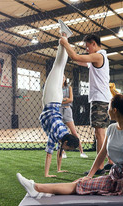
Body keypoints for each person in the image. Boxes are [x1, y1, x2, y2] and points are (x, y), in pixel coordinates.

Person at [60, 33, 112, 175]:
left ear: (94, 43)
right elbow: (78, 60)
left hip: (100, 100)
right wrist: (68, 49)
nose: (87, 49)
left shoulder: (98, 56)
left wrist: (65, 42)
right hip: (102, 99)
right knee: (102, 133)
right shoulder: (98, 58)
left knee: (99, 134)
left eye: (87, 46)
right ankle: (110, 162)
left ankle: (99, 167)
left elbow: (76, 57)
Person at [39, 21, 79, 177]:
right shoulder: (57, 133)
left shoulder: (63, 136)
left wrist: (59, 169)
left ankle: (64, 35)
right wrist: (47, 174)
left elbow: (59, 151)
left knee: (60, 67)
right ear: (67, 142)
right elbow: (49, 153)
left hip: (54, 100)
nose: (66, 150)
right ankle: (64, 36)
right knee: (58, 66)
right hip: (52, 100)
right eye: (68, 148)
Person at [60, 75, 88, 159]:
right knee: (61, 134)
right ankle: (63, 152)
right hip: (58, 111)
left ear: (65, 79)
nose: (62, 78)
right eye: (61, 77)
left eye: (63, 77)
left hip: (68, 111)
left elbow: (71, 99)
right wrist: (65, 99)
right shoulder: (56, 88)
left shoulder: (69, 88)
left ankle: (82, 152)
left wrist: (62, 100)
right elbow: (57, 100)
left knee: (74, 132)